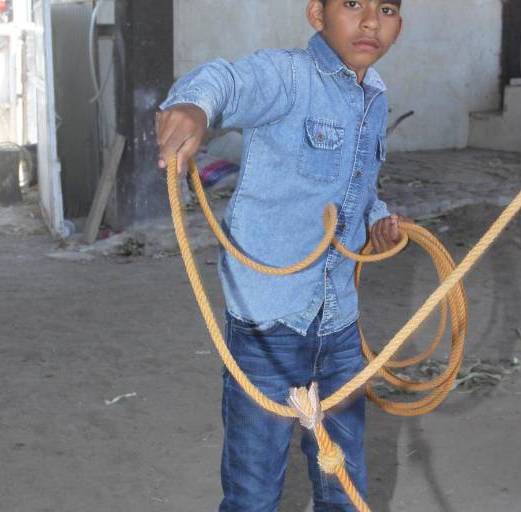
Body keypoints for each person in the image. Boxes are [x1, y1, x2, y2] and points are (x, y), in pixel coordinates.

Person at [156, 1, 407, 510]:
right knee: (253, 493)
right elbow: (225, 81)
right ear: (317, 14)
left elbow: (358, 187)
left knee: (344, 481)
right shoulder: (287, 77)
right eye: (352, 3)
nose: (370, 21)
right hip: (268, 323)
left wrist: (376, 221)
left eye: (386, 8)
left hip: (338, 324)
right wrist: (193, 107)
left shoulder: (375, 98)